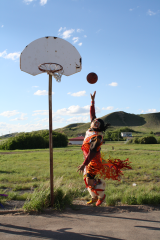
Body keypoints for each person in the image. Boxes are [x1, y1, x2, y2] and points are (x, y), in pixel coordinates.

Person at [77, 91, 132, 207]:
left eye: (94, 122)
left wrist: (83, 164)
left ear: (96, 126)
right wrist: (92, 101)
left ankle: (101, 196)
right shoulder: (93, 130)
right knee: (87, 180)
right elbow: (92, 115)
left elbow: (92, 152)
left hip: (93, 161)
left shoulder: (97, 137)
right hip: (89, 160)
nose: (92, 121)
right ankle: (94, 196)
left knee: (90, 181)